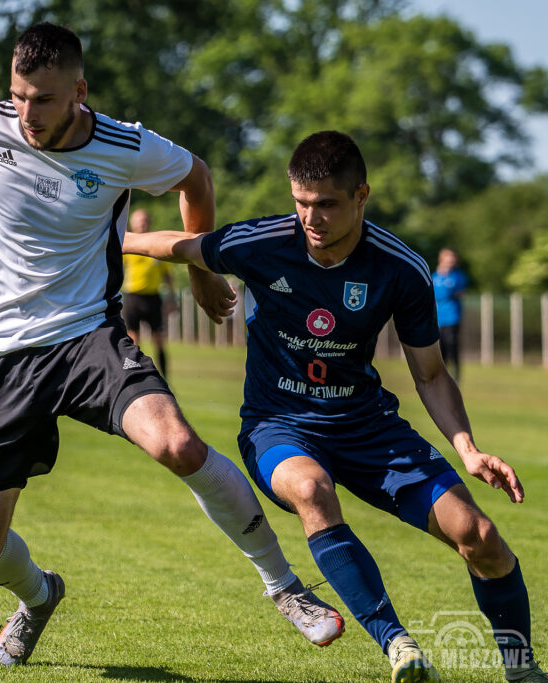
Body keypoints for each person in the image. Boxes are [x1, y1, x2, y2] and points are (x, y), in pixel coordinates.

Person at [0, 23, 344, 667]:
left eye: (43, 99)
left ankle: (285, 587)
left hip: (86, 337)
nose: (26, 113)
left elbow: (196, 177)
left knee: (179, 443)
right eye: (18, 95)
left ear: (78, 91)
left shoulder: (125, 147)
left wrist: (201, 270)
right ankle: (39, 595)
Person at [123, 130, 544, 683]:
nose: (310, 217)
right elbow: (171, 245)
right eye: (301, 203)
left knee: (481, 539)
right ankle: (399, 647)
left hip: (368, 428)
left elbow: (432, 374)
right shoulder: (262, 242)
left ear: (361, 196)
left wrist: (467, 449)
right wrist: (100, 237)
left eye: (326, 204)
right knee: (310, 490)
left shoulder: (400, 269)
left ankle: (522, 669)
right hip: (279, 427)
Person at [122, 209, 175, 377]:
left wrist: (172, 298)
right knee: (134, 342)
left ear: (149, 223)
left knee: (159, 341)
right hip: (133, 298)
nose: (142, 224)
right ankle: (133, 378)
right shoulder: (127, 244)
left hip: (153, 298)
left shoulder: (156, 245)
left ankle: (165, 379)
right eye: (139, 221)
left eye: (144, 220)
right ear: (132, 224)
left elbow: (168, 275)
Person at [432, 247, 468, 381]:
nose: (451, 262)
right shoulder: (434, 277)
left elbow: (456, 293)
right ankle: (442, 379)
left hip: (452, 318)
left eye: (453, 259)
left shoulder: (458, 277)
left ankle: (457, 379)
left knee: (453, 348)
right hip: (437, 320)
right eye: (448, 259)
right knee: (440, 352)